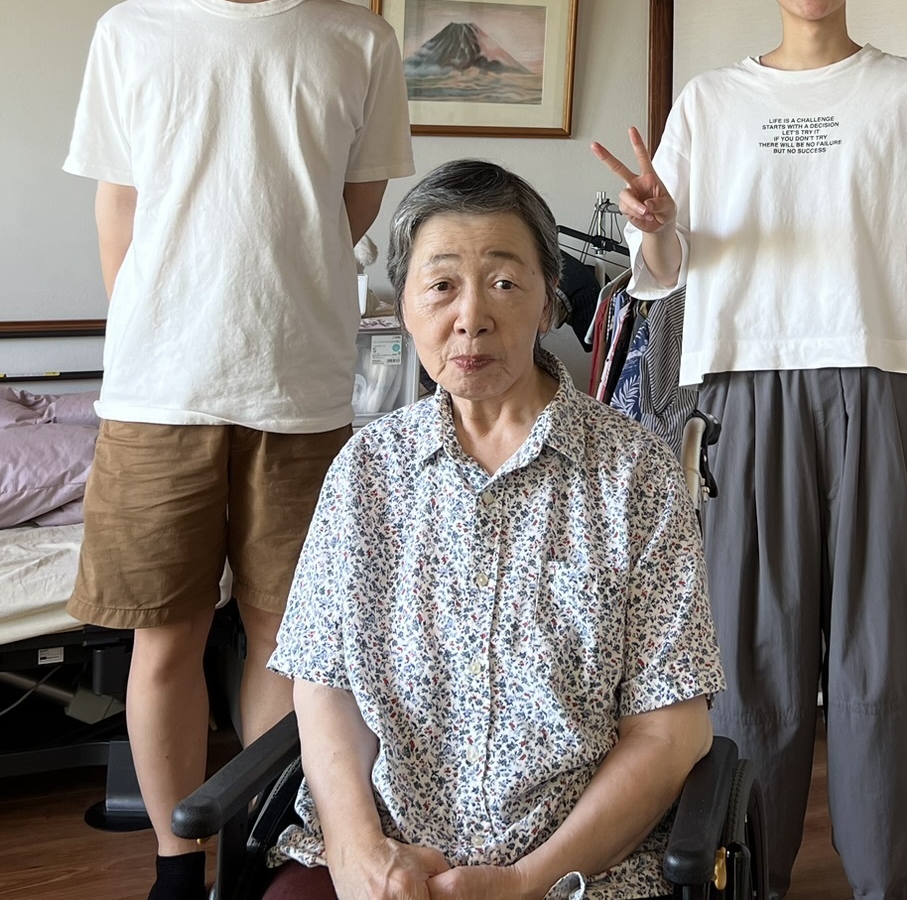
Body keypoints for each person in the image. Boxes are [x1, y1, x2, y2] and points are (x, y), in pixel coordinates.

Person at [592, 0, 907, 900]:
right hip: (744, 387)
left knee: (886, 652)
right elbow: (667, 268)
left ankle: (884, 883)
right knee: (752, 659)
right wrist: (653, 223)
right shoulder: (711, 102)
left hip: (877, 382)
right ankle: (751, 879)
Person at [63, 0, 415, 900]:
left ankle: (256, 859)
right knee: (163, 637)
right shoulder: (131, 32)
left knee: (284, 638)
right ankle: (178, 865)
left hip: (301, 387)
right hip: (157, 390)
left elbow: (354, 202)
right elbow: (118, 206)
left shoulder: (358, 39)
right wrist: (158, 320)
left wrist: (281, 284)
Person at [268, 160, 725, 900]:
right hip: (389, 861)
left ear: (549, 302)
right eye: (441, 286)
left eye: (505, 283)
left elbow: (673, 729)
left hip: (585, 872)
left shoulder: (633, 473)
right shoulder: (367, 472)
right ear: (404, 305)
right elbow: (326, 688)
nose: (471, 317)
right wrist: (358, 855)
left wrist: (523, 882)